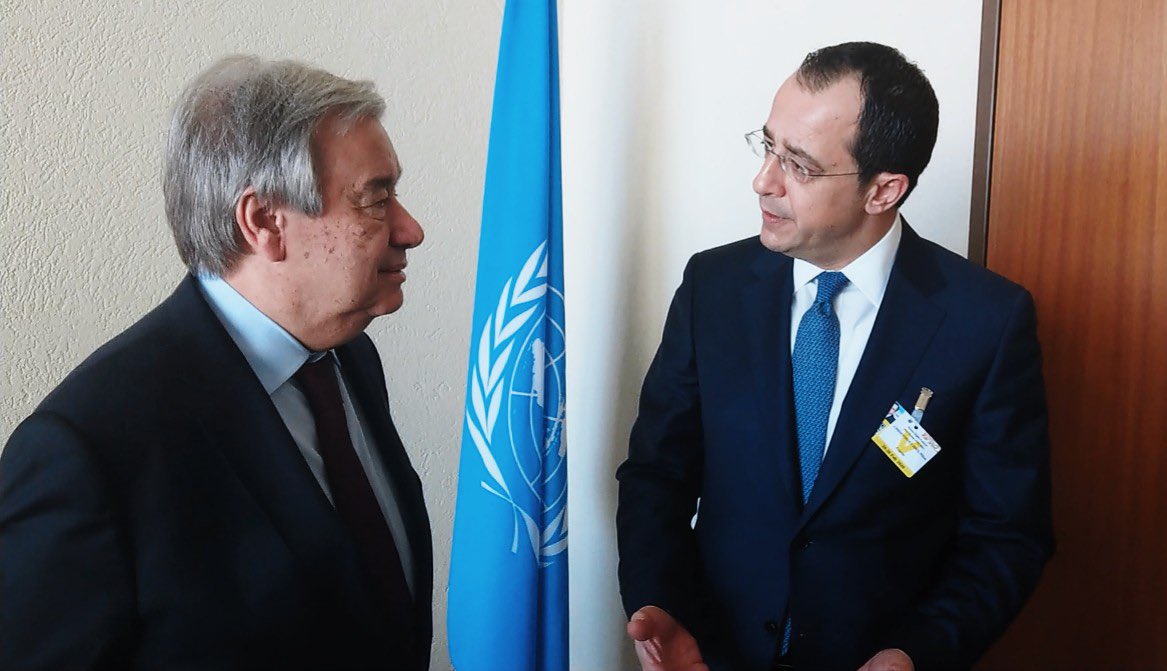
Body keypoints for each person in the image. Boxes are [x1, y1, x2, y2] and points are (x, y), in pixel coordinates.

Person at [616, 42, 1053, 671]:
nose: (764, 181)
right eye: (768, 146)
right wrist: (658, 601)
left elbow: (1006, 535)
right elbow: (657, 474)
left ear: (884, 190)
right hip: (712, 655)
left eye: (799, 164)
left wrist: (916, 653)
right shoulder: (713, 287)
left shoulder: (986, 321)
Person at [0, 56, 431, 670]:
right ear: (264, 222)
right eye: (375, 199)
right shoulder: (86, 450)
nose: (410, 230)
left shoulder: (349, 358)